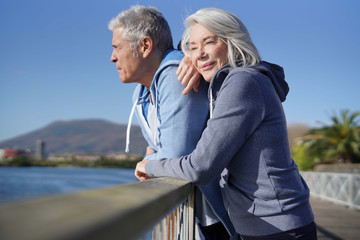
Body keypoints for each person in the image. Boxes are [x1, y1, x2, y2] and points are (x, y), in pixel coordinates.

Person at [135, 7, 317, 240]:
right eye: (192, 47)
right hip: (258, 225)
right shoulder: (230, 84)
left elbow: (200, 167)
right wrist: (192, 55)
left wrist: (150, 165)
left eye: (209, 42)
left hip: (278, 229)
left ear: (232, 41)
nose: (199, 54)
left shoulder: (243, 82)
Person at [108, 5, 235, 239]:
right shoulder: (142, 93)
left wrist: (147, 160)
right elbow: (162, 148)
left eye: (117, 47)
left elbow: (176, 152)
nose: (112, 57)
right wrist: (154, 153)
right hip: (193, 214)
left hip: (217, 212)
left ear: (145, 46)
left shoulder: (176, 74)